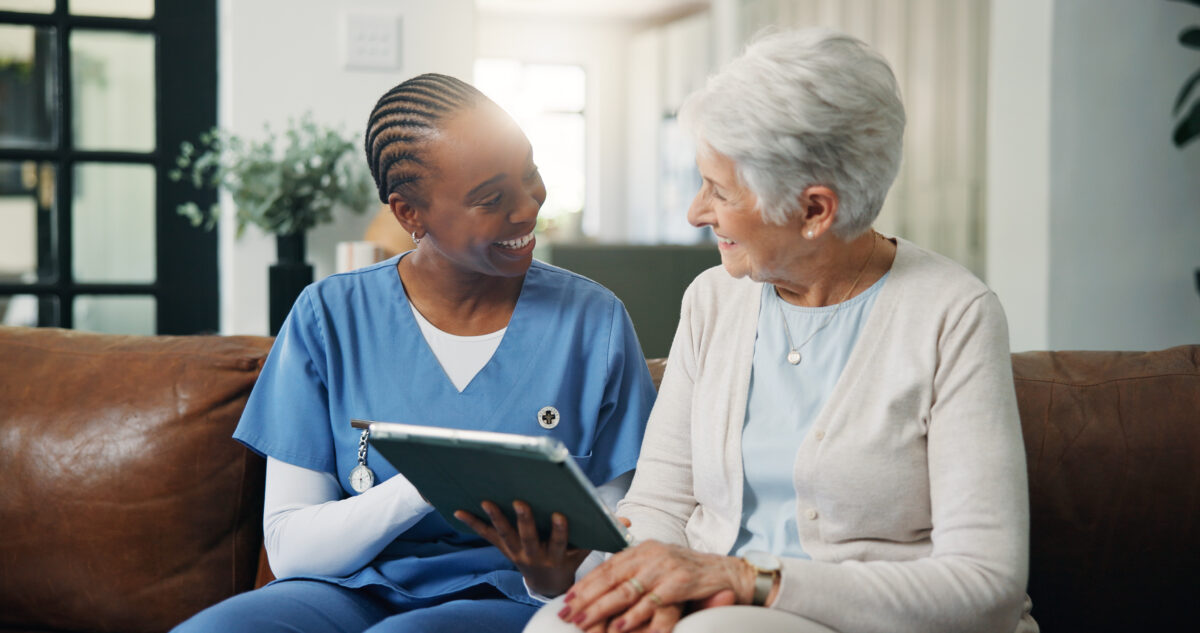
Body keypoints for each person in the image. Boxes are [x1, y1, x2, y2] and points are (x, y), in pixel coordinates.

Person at [525, 28, 1036, 633]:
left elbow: (986, 583)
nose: (695, 212)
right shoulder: (713, 299)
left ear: (815, 210)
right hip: (711, 612)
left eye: (718, 190)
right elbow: (659, 504)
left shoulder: (954, 314)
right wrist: (647, 587)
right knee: (557, 627)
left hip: (867, 622)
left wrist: (748, 580)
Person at [172, 73, 656, 633]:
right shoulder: (328, 315)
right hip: (345, 588)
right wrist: (429, 481)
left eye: (531, 174)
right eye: (491, 198)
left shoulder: (593, 322)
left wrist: (550, 577)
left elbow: (621, 536)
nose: (527, 209)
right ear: (409, 214)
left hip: (512, 596)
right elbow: (289, 549)